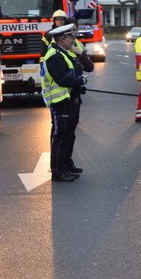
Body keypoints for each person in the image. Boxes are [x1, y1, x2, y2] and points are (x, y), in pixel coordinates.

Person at [41, 24, 89, 182]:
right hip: (60, 100)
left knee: (69, 135)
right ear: (62, 38)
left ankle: (66, 164)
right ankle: (58, 170)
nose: (73, 41)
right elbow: (63, 79)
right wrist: (80, 80)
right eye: (71, 38)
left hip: (69, 99)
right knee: (61, 136)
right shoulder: (54, 55)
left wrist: (79, 77)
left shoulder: (64, 52)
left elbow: (81, 69)